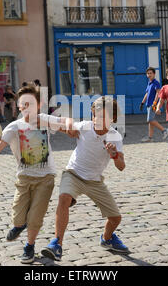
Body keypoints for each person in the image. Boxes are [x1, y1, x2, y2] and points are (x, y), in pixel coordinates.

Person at [0, 85, 70, 264]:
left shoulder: (44, 120)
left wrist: (71, 126)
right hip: (24, 179)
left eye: (31, 103)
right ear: (19, 106)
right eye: (23, 104)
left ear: (39, 105)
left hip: (46, 179)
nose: (27, 107)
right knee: (18, 217)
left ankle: (29, 246)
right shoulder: (14, 127)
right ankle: (19, 225)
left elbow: (65, 122)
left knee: (36, 217)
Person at [41, 96, 129, 262]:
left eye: (103, 116)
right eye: (95, 115)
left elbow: (121, 166)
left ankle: (107, 238)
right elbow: (64, 126)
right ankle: (56, 244)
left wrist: (114, 154)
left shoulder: (115, 137)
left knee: (116, 218)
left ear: (113, 118)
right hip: (73, 173)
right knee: (64, 198)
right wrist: (47, 121)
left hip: (94, 181)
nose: (97, 120)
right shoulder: (84, 127)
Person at [139, 67, 168, 142]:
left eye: (151, 73)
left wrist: (155, 103)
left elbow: (158, 93)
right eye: (148, 73)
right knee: (151, 121)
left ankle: (164, 130)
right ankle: (150, 137)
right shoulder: (149, 83)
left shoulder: (156, 82)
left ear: (154, 74)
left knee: (149, 119)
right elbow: (147, 93)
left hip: (153, 104)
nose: (149, 75)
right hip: (148, 104)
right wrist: (142, 103)